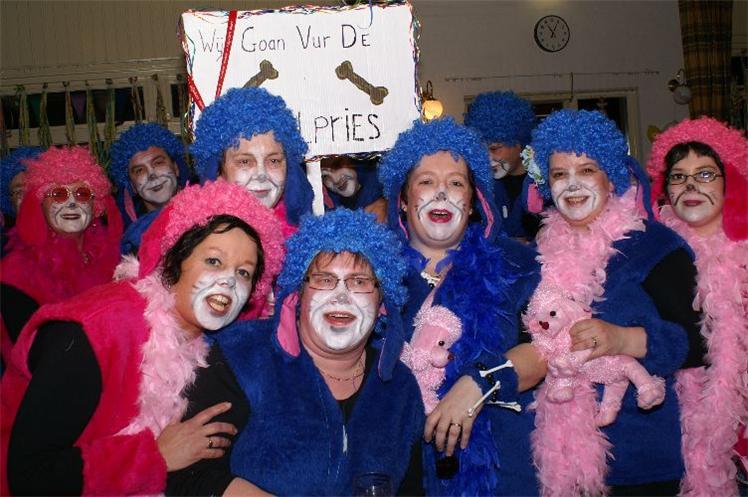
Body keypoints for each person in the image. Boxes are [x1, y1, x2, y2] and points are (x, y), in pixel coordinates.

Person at [0, 180, 285, 496]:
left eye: (244, 272)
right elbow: (28, 475)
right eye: (213, 261)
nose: (229, 280)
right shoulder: (98, 331)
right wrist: (153, 456)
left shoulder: (211, 345)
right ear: (174, 261)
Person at [166, 208, 424, 496]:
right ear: (297, 295)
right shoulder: (242, 353)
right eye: (324, 279)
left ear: (382, 304)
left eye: (359, 282)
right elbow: (191, 476)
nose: (341, 295)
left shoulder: (401, 388)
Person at [526, 109, 704, 497]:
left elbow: (702, 340)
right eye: (559, 174)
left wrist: (623, 340)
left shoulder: (653, 244)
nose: (572, 184)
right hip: (559, 460)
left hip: (641, 462)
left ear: (611, 178)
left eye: (587, 170)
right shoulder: (539, 253)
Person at [377, 117, 544, 496]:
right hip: (401, 474)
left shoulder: (516, 266)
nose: (441, 193)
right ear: (402, 200)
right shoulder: (369, 274)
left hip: (500, 473)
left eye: (455, 183)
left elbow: (550, 349)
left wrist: (480, 383)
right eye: (426, 181)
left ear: (473, 202)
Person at [647, 116, 748, 497]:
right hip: (671, 433)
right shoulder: (648, 255)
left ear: (729, 181)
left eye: (704, 174)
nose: (690, 186)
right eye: (678, 176)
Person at [0, 146, 122, 365]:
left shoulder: (115, 259)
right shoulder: (15, 271)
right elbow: (33, 350)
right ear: (40, 204)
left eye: (82, 194)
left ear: (95, 205)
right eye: (58, 194)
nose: (72, 202)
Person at [191, 87, 314, 239]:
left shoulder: (301, 235)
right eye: (245, 162)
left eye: (273, 161)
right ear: (218, 172)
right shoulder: (198, 240)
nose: (261, 175)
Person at [464, 91, 541, 240]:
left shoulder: (543, 184)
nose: (487, 157)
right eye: (481, 149)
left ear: (519, 143)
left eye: (494, 148)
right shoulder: (477, 185)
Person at [108, 122, 192, 254]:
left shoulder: (207, 216)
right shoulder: (128, 238)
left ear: (176, 168)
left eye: (158, 163)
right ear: (132, 186)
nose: (152, 175)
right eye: (140, 170)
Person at [0, 147, 44, 255]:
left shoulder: (76, 239)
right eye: (19, 192)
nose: (27, 198)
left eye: (33, 189)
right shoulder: (4, 248)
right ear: (11, 202)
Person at [320, 155, 385, 220]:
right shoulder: (325, 211)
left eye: (337, 165)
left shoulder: (386, 194)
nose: (335, 180)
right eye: (325, 176)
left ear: (351, 159)